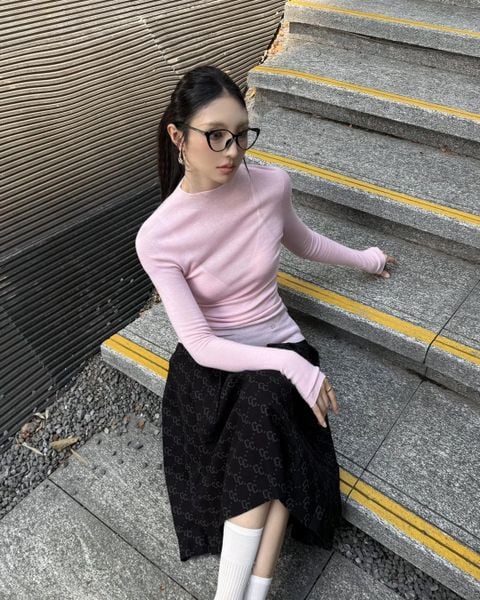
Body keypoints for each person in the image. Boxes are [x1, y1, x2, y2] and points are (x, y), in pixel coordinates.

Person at [135, 65, 397, 600]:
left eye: (241, 135)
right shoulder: (158, 236)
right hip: (215, 368)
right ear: (177, 137)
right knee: (271, 423)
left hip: (278, 349)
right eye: (216, 135)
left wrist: (366, 259)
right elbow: (200, 343)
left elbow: (306, 242)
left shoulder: (270, 185)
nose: (232, 151)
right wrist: (291, 364)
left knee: (271, 424)